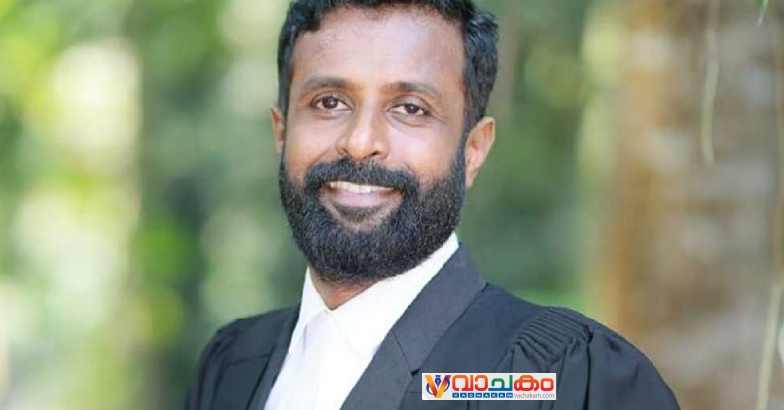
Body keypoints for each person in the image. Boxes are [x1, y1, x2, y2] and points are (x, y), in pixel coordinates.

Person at [184, 0, 680, 409]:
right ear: (282, 131)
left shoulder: (556, 380)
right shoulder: (232, 368)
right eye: (329, 102)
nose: (360, 142)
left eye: (410, 109)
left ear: (473, 151)